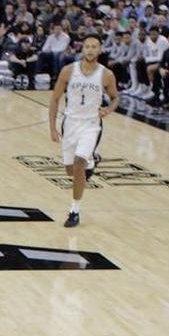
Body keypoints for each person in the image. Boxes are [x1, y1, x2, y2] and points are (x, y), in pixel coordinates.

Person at [48, 33, 119, 228]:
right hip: (70, 123)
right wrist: (52, 128)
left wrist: (108, 109)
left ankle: (74, 211)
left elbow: (115, 98)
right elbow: (54, 99)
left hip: (91, 125)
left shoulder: (106, 74)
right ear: (82, 49)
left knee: (79, 164)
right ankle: (92, 161)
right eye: (87, 46)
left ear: (100, 50)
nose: (90, 49)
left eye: (94, 46)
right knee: (70, 171)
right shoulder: (68, 71)